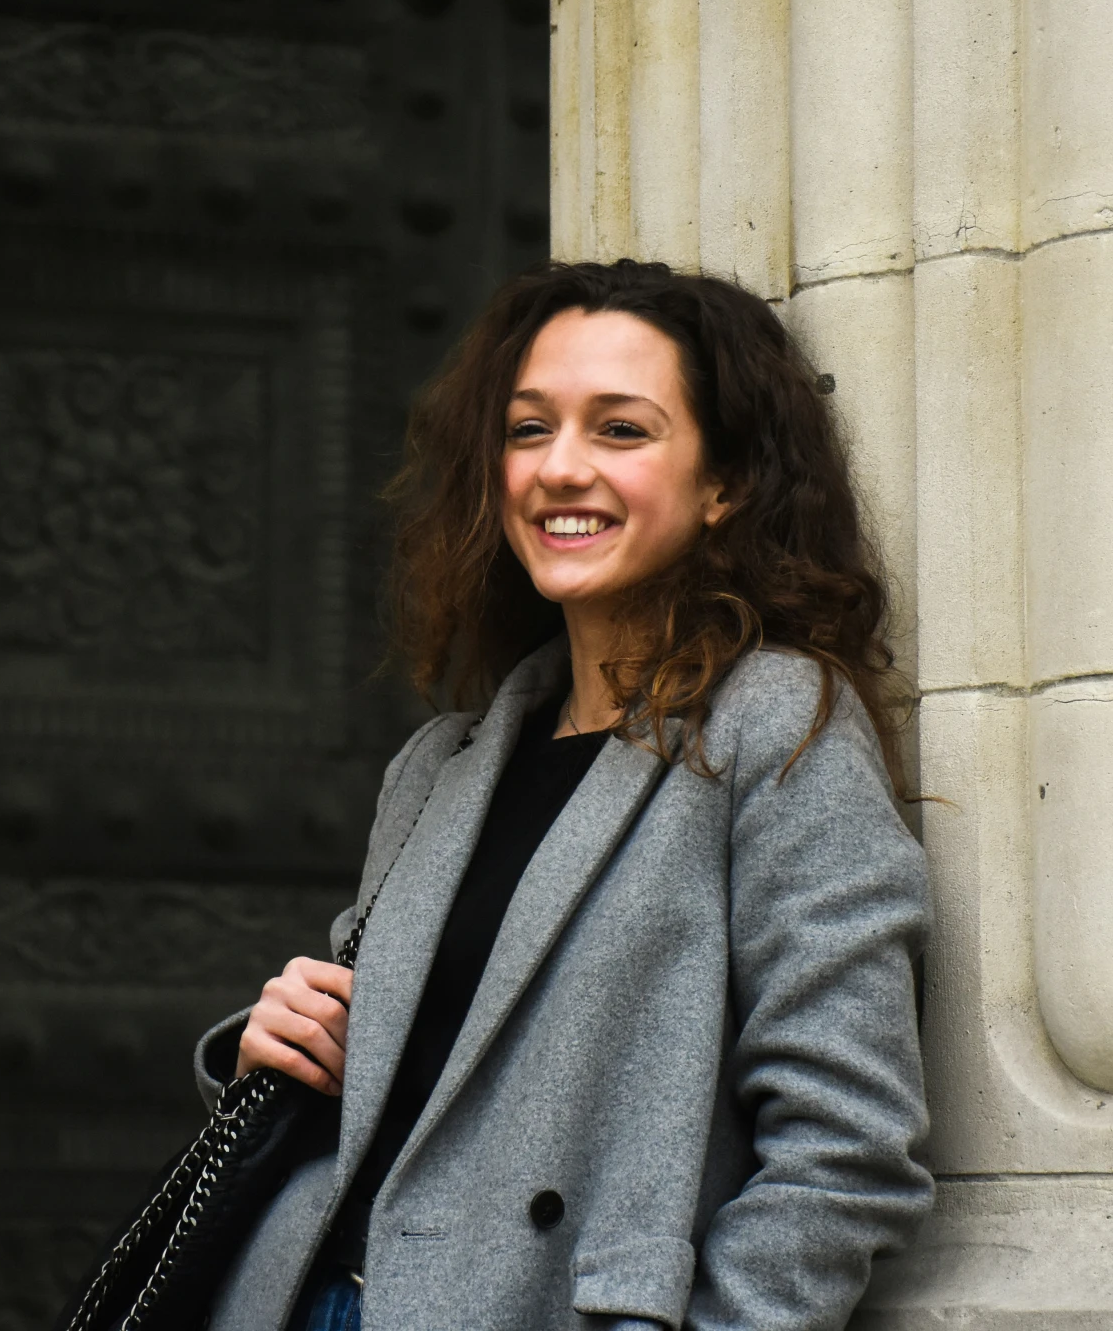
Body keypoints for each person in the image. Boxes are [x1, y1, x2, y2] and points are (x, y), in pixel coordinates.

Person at [189, 260, 932, 1331]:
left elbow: (848, 1142)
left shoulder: (772, 725)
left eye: (620, 431)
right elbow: (416, 1100)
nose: (558, 469)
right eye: (529, 430)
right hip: (299, 1299)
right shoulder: (443, 766)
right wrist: (280, 1044)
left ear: (722, 483)